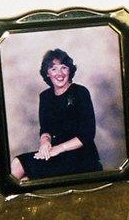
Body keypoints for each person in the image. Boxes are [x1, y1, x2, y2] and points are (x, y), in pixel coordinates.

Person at [11, 49, 103, 180]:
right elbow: (45, 128)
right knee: (17, 163)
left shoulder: (80, 92)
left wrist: (58, 149)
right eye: (53, 69)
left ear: (70, 71)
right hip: (56, 155)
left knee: (27, 178)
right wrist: (45, 142)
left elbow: (87, 135)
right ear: (47, 73)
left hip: (81, 158)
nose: (59, 74)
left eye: (64, 68)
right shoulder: (45, 97)